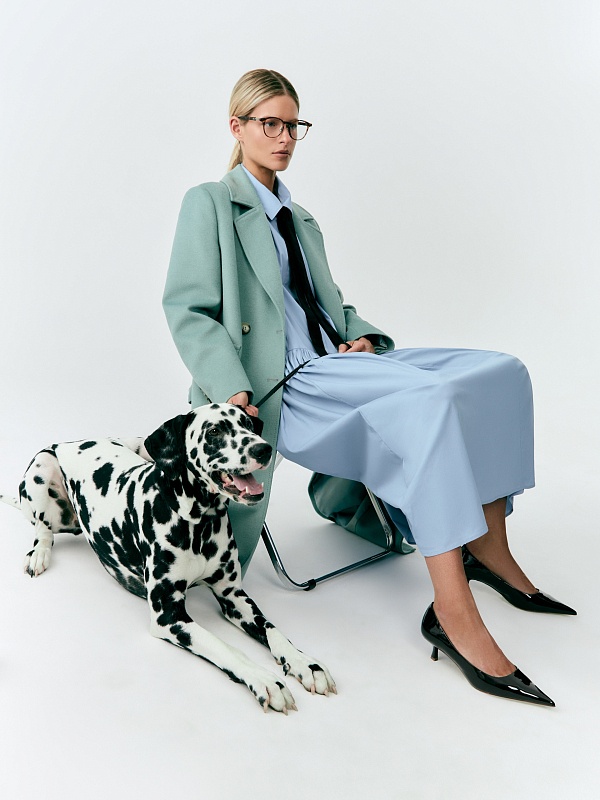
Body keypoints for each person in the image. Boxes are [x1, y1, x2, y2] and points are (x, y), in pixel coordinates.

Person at [162, 68, 575, 706]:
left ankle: (490, 549)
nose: (284, 137)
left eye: (293, 125)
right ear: (237, 127)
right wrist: (232, 389)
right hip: (283, 385)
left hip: (337, 365)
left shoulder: (301, 220)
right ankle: (451, 612)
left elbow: (331, 306)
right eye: (269, 124)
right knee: (430, 400)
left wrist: (364, 338)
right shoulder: (211, 203)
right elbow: (188, 308)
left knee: (500, 372)